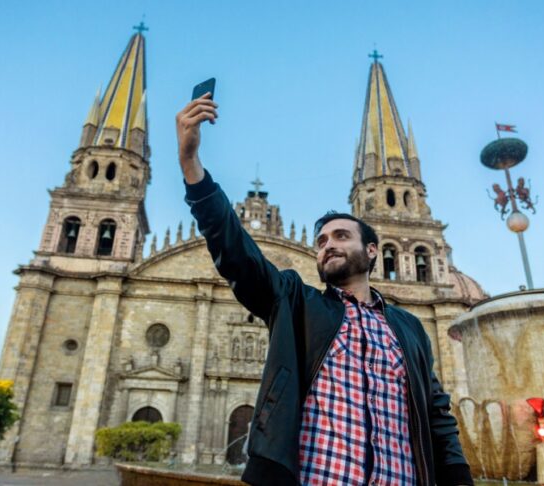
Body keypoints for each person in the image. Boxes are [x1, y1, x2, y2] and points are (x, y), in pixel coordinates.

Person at [176, 94, 473, 486]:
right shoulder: (297, 303)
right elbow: (235, 251)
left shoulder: (409, 328)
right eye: (321, 240)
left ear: (372, 250)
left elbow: (437, 413)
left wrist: (458, 477)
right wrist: (191, 166)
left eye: (340, 235)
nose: (328, 243)